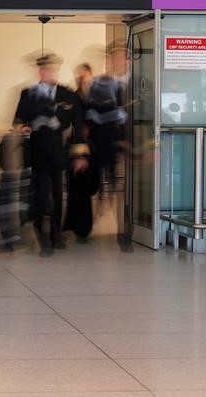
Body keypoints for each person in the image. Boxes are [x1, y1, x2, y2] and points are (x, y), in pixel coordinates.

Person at [13, 52, 89, 257]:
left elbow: (79, 126)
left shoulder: (68, 95)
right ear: (39, 70)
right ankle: (42, 237)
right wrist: (24, 128)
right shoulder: (28, 94)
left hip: (59, 153)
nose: (46, 72)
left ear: (55, 70)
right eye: (43, 68)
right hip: (37, 153)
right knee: (39, 196)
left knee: (57, 195)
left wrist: (80, 155)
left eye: (50, 68)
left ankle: (56, 233)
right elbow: (18, 121)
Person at [89, 40, 132, 252]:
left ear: (128, 60)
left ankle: (124, 232)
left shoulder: (139, 83)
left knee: (122, 191)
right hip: (103, 144)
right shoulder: (99, 85)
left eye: (118, 57)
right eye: (111, 57)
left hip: (127, 147)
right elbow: (91, 113)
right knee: (103, 187)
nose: (114, 61)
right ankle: (99, 216)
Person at [63, 64, 99, 244]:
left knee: (86, 187)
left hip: (91, 149)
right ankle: (80, 227)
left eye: (87, 77)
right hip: (78, 149)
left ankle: (79, 226)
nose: (85, 80)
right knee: (78, 188)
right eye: (82, 77)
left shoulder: (93, 98)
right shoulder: (73, 98)